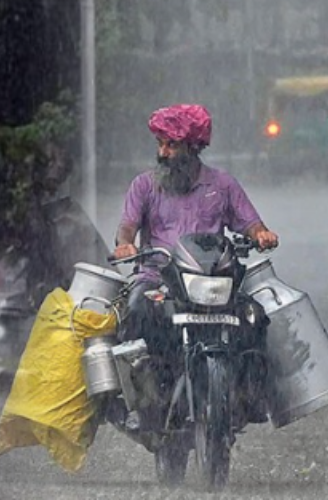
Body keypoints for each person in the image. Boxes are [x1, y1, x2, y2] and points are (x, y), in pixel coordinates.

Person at [112, 103, 279, 426]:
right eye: (160, 144)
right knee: (137, 310)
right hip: (158, 279)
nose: (163, 152)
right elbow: (127, 229)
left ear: (193, 146)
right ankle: (144, 396)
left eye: (171, 144)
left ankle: (249, 396)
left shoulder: (223, 185)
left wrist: (262, 234)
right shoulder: (144, 186)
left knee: (255, 317)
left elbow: (251, 224)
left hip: (212, 282)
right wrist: (124, 245)